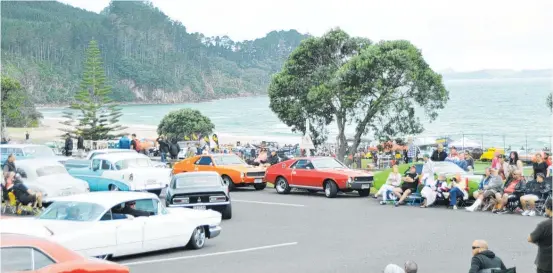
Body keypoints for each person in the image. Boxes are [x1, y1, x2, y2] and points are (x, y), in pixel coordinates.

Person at [528, 198, 552, 273]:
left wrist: (539, 242)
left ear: (548, 208)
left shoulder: (544, 225)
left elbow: (530, 239)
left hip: (545, 262)